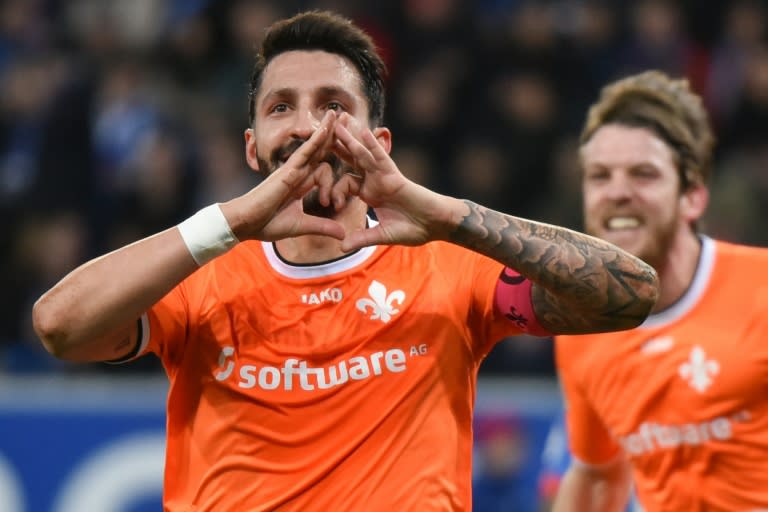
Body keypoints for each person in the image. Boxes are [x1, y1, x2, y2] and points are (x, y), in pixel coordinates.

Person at [32, 11, 658, 511]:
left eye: (333, 105)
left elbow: (631, 293)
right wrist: (227, 224)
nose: (307, 127)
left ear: (378, 141)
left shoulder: (448, 262)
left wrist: (447, 215)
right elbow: (59, 326)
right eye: (281, 107)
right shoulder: (197, 273)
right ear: (253, 148)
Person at [553, 70, 768, 512]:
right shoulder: (580, 332)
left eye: (643, 174)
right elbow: (597, 474)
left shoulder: (761, 289)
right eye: (599, 176)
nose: (617, 193)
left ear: (693, 197)